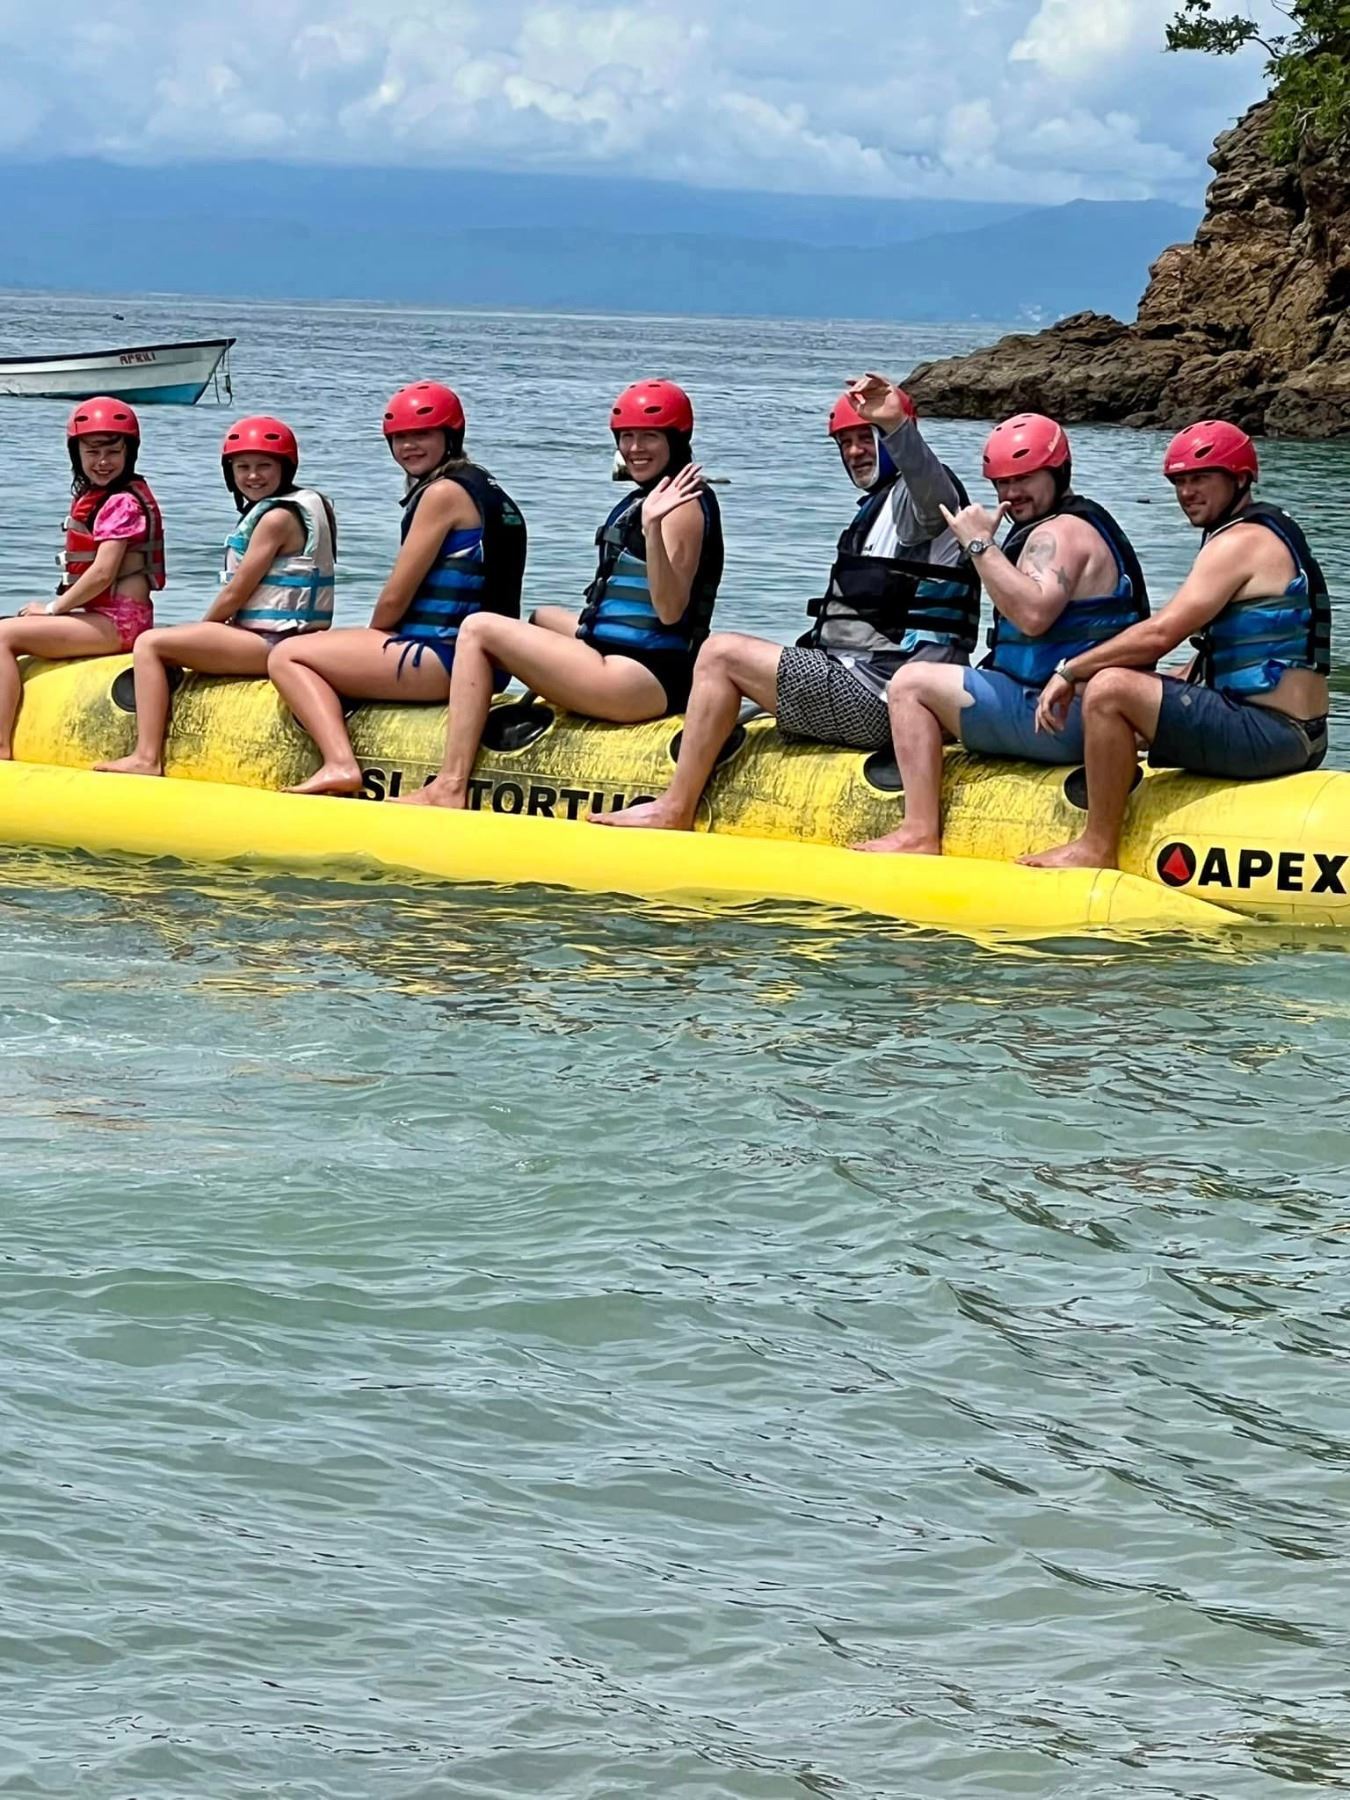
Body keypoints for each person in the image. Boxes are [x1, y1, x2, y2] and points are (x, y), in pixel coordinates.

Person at [590, 373, 979, 831]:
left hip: (886, 700)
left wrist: (896, 426)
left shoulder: (923, 504)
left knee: (720, 654)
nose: (855, 452)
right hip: (873, 688)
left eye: (866, 438)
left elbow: (931, 489)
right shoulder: (879, 507)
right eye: (845, 442)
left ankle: (675, 808)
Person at [395, 378, 721, 810]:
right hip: (628, 659)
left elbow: (670, 609)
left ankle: (450, 785)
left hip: (645, 679)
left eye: (649, 437)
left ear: (675, 440)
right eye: (626, 436)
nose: (634, 448)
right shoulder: (658, 495)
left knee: (478, 629)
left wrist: (654, 527)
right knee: (542, 618)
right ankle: (528, 720)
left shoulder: (678, 507)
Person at [1021, 420, 1330, 871]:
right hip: (1296, 732)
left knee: (1107, 689)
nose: (1187, 492)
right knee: (1119, 692)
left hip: (1274, 736)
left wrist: (1069, 670)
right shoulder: (1266, 529)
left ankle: (1096, 848)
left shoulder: (1240, 541)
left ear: (1240, 478)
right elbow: (1223, 653)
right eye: (1179, 482)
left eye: (1200, 479)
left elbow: (1161, 634)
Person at [855, 411, 1149, 855]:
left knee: (910, 684)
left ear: (1058, 472)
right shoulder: (1073, 523)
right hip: (1073, 714)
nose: (1011, 494)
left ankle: (919, 833)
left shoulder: (1061, 533)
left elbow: (1033, 616)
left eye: (1024, 479)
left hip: (1060, 718)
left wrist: (980, 545)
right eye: (1002, 483)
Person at [269, 380, 526, 796]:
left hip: (441, 661)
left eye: (421, 435)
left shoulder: (442, 494)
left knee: (287, 655)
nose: (409, 447)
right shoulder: (486, 488)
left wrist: (373, 641)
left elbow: (395, 597)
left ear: (450, 436)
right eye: (400, 438)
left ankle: (339, 764)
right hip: (484, 666)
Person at [96, 415, 336, 778]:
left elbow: (237, 591)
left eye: (264, 466)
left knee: (150, 644)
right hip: (295, 640)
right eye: (243, 467)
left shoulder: (276, 520)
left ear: (284, 467)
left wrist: (204, 629)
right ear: (230, 472)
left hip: (272, 644)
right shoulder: (307, 505)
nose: (252, 476)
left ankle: (146, 758)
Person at [0, 396, 164, 759]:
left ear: (129, 453)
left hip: (119, 624)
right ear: (77, 454)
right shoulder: (101, 497)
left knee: (3, 636)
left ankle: (1, 747)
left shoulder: (122, 503)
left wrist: (53, 610)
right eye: (92, 452)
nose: (102, 462)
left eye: (113, 452)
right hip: (107, 619)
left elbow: (103, 573)